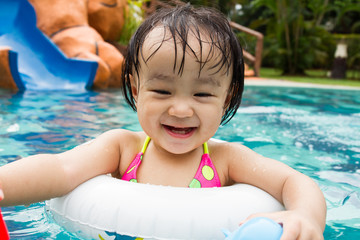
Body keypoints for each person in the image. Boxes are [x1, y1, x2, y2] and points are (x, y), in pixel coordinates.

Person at [0, 4, 326, 239]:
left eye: (202, 95)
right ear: (136, 89)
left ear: (225, 99)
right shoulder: (122, 149)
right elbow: (60, 169)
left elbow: (294, 182)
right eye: (162, 90)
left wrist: (304, 216)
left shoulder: (227, 160)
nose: (181, 109)